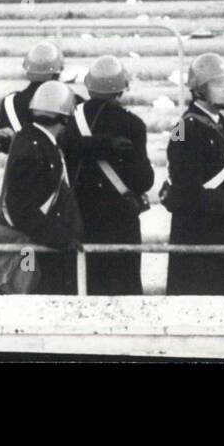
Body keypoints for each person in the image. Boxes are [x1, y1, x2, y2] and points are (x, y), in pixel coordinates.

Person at [163, 54, 224, 296]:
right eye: (217, 85)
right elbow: (186, 192)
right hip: (200, 234)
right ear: (199, 91)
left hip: (221, 228)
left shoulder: (219, 121)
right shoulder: (183, 126)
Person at [67, 56, 154, 295]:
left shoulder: (70, 119)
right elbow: (143, 180)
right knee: (123, 286)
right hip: (120, 218)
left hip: (81, 214)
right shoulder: (133, 124)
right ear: (121, 88)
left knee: (86, 285)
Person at [1, 81, 83, 294]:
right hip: (39, 246)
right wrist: (61, 238)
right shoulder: (34, 146)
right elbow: (22, 209)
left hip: (43, 242)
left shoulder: (34, 138)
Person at [0, 41, 66, 154]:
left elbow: (4, 145)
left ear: (28, 71)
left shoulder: (9, 102)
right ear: (58, 73)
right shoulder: (70, 100)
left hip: (21, 167)